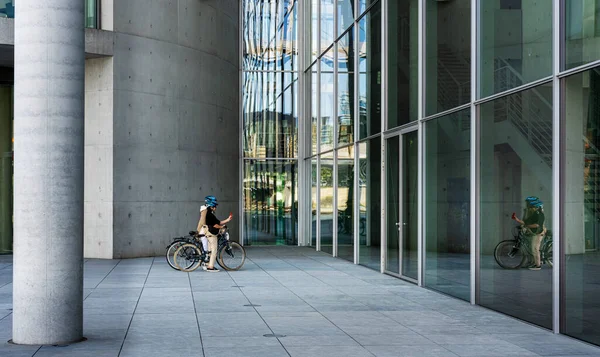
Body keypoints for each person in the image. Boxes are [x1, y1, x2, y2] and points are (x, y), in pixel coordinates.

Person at [511, 196, 545, 270]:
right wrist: (517, 219)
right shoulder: (534, 213)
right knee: (530, 247)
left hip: (538, 233)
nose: (528, 206)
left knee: (534, 249)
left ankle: (538, 265)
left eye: (529, 205)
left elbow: (537, 225)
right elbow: (525, 222)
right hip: (533, 232)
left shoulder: (539, 214)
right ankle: (533, 262)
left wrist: (526, 225)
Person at [204, 195, 233, 272]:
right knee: (214, 250)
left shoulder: (209, 213)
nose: (215, 207)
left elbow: (218, 222)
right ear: (211, 206)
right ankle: (210, 267)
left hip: (209, 233)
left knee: (210, 250)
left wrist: (227, 220)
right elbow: (215, 225)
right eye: (215, 206)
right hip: (211, 234)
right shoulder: (209, 214)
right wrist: (222, 227)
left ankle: (208, 264)